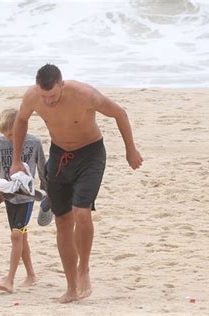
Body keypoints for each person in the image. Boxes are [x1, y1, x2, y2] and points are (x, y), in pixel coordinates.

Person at [10, 64, 143, 303]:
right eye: (44, 96)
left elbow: (119, 113)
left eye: (52, 95)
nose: (48, 101)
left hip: (90, 154)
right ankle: (71, 287)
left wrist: (130, 149)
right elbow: (20, 121)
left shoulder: (85, 95)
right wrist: (16, 160)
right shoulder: (33, 97)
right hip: (60, 155)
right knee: (62, 221)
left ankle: (84, 269)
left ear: (62, 84)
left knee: (82, 212)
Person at [0, 108, 47, 293]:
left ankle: (10, 279)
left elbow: (42, 169)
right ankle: (31, 274)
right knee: (20, 236)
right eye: (5, 135)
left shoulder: (34, 142)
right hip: (7, 196)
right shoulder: (0, 143)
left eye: (10, 135)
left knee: (16, 235)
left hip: (26, 196)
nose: (8, 139)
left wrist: (48, 195)